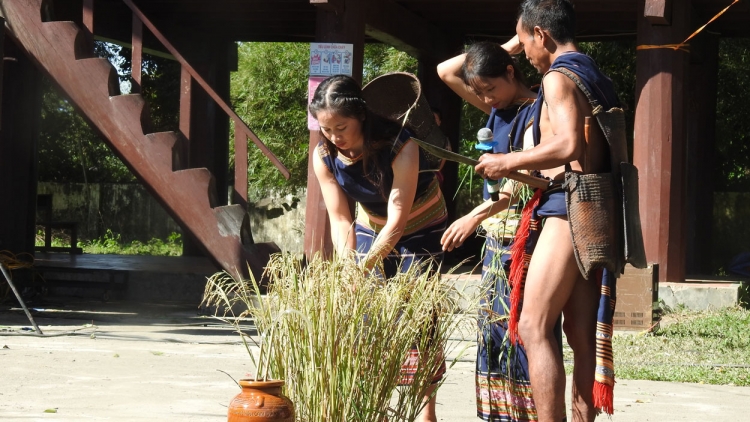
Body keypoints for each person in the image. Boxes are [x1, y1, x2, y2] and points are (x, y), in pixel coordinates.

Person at [475, 1, 621, 421]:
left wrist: (507, 162)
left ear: (541, 35)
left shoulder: (558, 76)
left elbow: (570, 145)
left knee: (533, 327)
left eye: (524, 42)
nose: (523, 54)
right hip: (597, 208)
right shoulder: (592, 71)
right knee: (579, 333)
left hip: (568, 209)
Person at [309, 74, 448, 422]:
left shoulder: (401, 144)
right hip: (371, 223)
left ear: (361, 116)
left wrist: (367, 264)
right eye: (326, 129)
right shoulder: (324, 155)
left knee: (417, 314)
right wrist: (350, 266)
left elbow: (398, 222)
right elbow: (341, 220)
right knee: (365, 311)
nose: (334, 136)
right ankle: (376, 405)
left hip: (420, 226)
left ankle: (425, 410)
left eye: (341, 127)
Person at [437, 41, 549, 422]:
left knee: (518, 329)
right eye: (480, 91)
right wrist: (513, 44)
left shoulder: (536, 112)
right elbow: (445, 71)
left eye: (489, 87)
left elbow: (523, 184)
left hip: (522, 237)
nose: (485, 97)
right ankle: (498, 415)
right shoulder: (498, 108)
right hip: (495, 238)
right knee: (493, 331)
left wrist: (472, 217)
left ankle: (525, 415)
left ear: (511, 73)